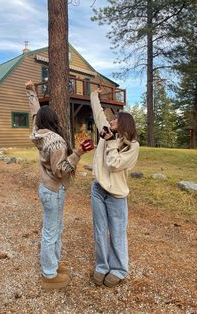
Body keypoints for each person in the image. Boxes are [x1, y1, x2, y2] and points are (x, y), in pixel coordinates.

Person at [25, 80, 92, 290]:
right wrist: (78, 153)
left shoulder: (38, 133)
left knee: (55, 228)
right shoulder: (55, 141)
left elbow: (35, 114)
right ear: (54, 119)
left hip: (47, 189)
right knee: (51, 231)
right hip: (53, 190)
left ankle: (53, 264)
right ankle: (49, 275)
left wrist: (31, 93)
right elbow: (60, 169)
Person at [90, 89, 139, 288]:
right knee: (100, 231)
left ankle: (119, 269)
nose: (111, 121)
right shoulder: (106, 133)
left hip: (117, 195)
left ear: (124, 123)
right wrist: (94, 96)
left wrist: (109, 142)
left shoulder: (132, 146)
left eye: (115, 119)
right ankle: (102, 266)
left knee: (117, 232)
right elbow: (97, 112)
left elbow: (114, 164)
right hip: (98, 189)